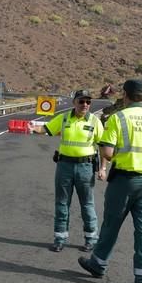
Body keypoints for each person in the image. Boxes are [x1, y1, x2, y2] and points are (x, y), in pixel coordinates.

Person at [78, 79, 142, 283]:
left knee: (111, 224)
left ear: (125, 95)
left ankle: (98, 264)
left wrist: (124, 156)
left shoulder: (118, 118)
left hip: (124, 181)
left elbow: (108, 153)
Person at [29, 90, 104, 252]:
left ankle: (91, 238)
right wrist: (34, 128)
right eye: (81, 101)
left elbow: (103, 145)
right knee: (62, 203)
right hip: (65, 166)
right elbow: (47, 129)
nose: (85, 104)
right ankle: (60, 238)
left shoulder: (94, 121)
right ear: (74, 102)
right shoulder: (63, 118)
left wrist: (103, 168)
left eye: (88, 102)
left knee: (87, 204)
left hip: (85, 167)